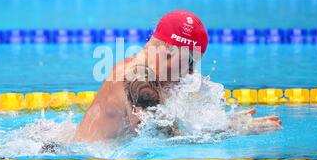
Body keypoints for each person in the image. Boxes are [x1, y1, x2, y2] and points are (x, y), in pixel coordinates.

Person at [72, 10, 282, 142]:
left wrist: (220, 121)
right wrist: (233, 128)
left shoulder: (145, 72)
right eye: (190, 61)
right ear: (171, 50)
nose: (191, 72)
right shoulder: (138, 77)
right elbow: (157, 137)